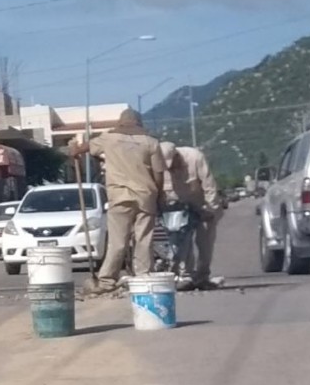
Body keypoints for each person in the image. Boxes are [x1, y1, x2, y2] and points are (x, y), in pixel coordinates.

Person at [69, 108, 165, 294]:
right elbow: (158, 173)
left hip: (119, 196)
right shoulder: (151, 143)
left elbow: (82, 148)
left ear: (120, 123)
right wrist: (159, 194)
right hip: (146, 195)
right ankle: (143, 277)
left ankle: (106, 281)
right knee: (144, 239)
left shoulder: (109, 138)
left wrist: (74, 150)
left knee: (118, 241)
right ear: (139, 123)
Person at [176, 145, 224, 290]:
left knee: (205, 243)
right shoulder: (160, 163)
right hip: (181, 206)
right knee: (183, 241)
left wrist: (211, 209)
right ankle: (186, 276)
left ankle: (202, 276)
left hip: (203, 204)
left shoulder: (195, 157)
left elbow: (209, 185)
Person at [159, 141, 198, 282]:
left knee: (186, 240)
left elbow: (204, 185)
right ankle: (173, 268)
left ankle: (186, 271)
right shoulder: (157, 167)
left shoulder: (193, 158)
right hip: (167, 210)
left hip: (185, 208)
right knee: (172, 240)